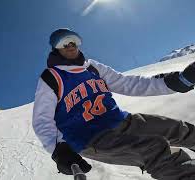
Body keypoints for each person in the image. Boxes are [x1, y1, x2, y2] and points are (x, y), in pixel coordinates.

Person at [32, 28, 195, 180]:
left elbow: (127, 84)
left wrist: (173, 83)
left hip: (122, 121)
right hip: (90, 138)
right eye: (63, 43)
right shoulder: (52, 77)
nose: (70, 46)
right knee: (154, 150)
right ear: (55, 48)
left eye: (73, 41)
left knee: (180, 129)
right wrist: (58, 150)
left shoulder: (92, 67)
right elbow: (42, 120)